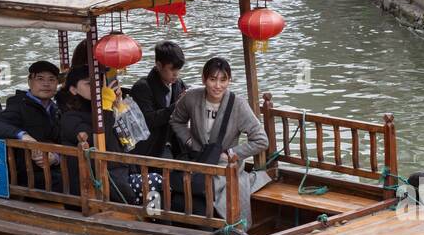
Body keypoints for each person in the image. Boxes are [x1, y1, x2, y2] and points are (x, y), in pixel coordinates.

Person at [170, 56, 269, 218]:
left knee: (209, 191)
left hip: (224, 165)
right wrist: (189, 141)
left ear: (229, 80)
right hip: (197, 159)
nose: (217, 86)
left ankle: (225, 228)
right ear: (204, 79)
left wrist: (231, 153)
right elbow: (176, 120)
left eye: (223, 80)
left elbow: (261, 140)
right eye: (213, 79)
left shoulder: (238, 105)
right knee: (182, 190)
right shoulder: (191, 98)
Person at [59, 65, 160, 206]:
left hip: (122, 173)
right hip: (98, 183)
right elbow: (100, 142)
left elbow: (133, 139)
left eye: (100, 83)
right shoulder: (70, 118)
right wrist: (105, 107)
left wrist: (118, 106)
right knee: (156, 181)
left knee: (162, 183)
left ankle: (154, 221)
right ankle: (153, 222)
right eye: (89, 84)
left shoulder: (105, 110)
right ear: (73, 89)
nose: (97, 88)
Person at [0, 60, 64, 188]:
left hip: (53, 169)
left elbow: (63, 139)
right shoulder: (18, 105)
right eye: (40, 79)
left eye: (51, 79)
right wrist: (24, 136)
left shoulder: (56, 109)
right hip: (27, 175)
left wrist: (56, 158)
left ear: (57, 83)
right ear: (30, 82)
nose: (46, 84)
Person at [130, 41, 188, 157]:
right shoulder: (142, 88)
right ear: (159, 65)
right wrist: (176, 106)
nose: (176, 74)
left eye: (178, 69)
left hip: (175, 142)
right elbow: (148, 120)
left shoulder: (178, 84)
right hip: (151, 147)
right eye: (172, 69)